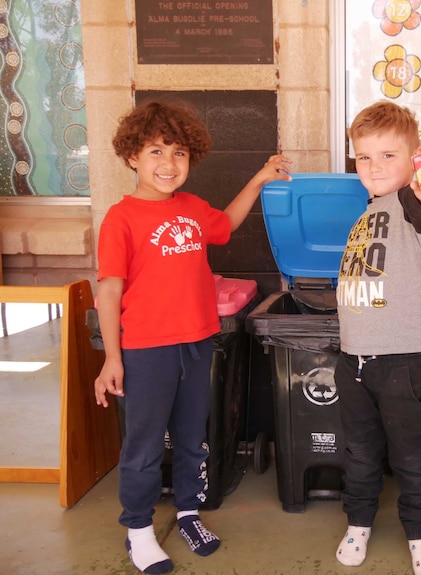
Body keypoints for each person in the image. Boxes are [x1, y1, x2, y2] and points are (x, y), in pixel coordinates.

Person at [94, 100, 292, 574]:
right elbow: (108, 292)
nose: (168, 164)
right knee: (143, 447)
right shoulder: (120, 219)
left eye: (179, 153)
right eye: (156, 152)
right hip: (145, 349)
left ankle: (188, 512)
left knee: (192, 437)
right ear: (132, 158)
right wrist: (111, 358)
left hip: (199, 340)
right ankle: (139, 530)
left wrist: (261, 178)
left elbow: (225, 225)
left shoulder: (192, 208)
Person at [332, 100, 421, 575]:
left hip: (405, 362)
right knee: (360, 452)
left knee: (412, 456)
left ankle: (420, 534)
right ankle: (359, 522)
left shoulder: (409, 206)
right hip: (354, 361)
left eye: (389, 155)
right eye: (365, 157)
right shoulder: (366, 213)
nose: (374, 166)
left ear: (412, 160)